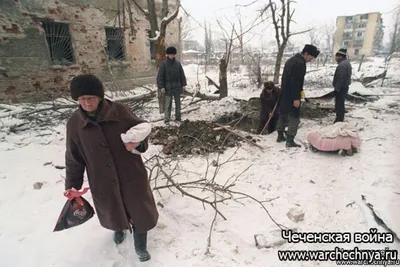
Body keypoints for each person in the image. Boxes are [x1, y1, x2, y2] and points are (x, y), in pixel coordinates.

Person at [65, 74, 158, 262]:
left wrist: (138, 144)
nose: (86, 103)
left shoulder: (120, 111)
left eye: (90, 98)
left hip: (130, 172)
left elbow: (141, 131)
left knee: (139, 209)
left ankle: (140, 245)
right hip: (101, 177)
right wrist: (72, 186)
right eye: (82, 99)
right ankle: (119, 228)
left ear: (99, 97)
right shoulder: (74, 124)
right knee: (112, 206)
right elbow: (73, 158)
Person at [276, 44, 320, 148]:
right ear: (306, 54)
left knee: (283, 114)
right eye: (311, 57)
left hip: (284, 93)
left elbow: (285, 79)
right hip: (292, 94)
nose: (311, 60)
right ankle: (290, 140)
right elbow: (295, 82)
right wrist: (296, 98)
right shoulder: (300, 63)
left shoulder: (290, 60)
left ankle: (280, 135)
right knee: (294, 117)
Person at [157, 46, 187, 123]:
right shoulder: (164, 65)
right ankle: (167, 119)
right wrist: (162, 87)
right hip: (168, 88)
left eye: (173, 54)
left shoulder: (178, 64)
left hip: (177, 87)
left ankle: (178, 118)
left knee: (178, 104)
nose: (172, 56)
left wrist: (183, 84)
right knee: (167, 105)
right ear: (167, 55)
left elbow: (182, 75)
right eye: (170, 54)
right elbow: (160, 77)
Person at [332, 48, 352, 123]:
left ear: (340, 57)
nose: (336, 58)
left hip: (341, 87)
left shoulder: (342, 65)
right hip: (344, 87)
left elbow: (341, 78)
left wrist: (337, 89)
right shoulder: (346, 63)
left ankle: (339, 119)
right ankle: (340, 117)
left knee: (339, 103)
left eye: (336, 57)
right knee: (341, 102)